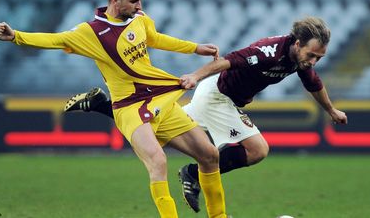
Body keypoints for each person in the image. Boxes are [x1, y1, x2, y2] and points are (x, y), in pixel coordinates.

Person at [0, 0, 228, 218]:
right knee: (158, 161)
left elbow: (155, 38)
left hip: (158, 99)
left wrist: (194, 47)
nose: (140, 6)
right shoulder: (91, 32)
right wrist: (16, 36)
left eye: (140, 1)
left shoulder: (139, 19)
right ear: (115, 0)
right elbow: (56, 39)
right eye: (134, 1)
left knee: (210, 155)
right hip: (129, 108)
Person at [64, 17, 348, 213]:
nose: (313, 62)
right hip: (217, 96)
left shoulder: (299, 59)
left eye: (318, 58)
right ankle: (193, 174)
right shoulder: (269, 52)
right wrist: (195, 75)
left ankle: (102, 103)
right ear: (298, 43)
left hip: (221, 99)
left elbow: (314, 83)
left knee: (154, 129)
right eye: (312, 55)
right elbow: (229, 60)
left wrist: (331, 109)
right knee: (258, 149)